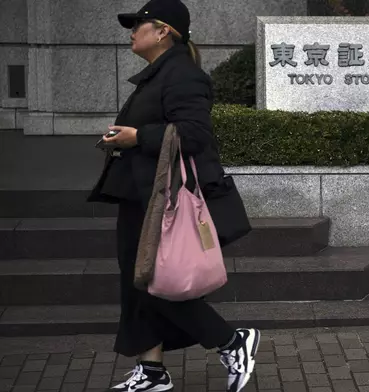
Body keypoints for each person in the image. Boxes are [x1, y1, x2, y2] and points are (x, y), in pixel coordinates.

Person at [87, 1, 259, 391]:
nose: (132, 31)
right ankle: (151, 372)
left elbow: (195, 134)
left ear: (163, 31)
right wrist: (123, 138)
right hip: (142, 194)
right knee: (139, 280)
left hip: (162, 200)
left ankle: (233, 341)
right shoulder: (159, 74)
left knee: (152, 280)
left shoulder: (182, 75)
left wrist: (137, 137)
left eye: (138, 24)